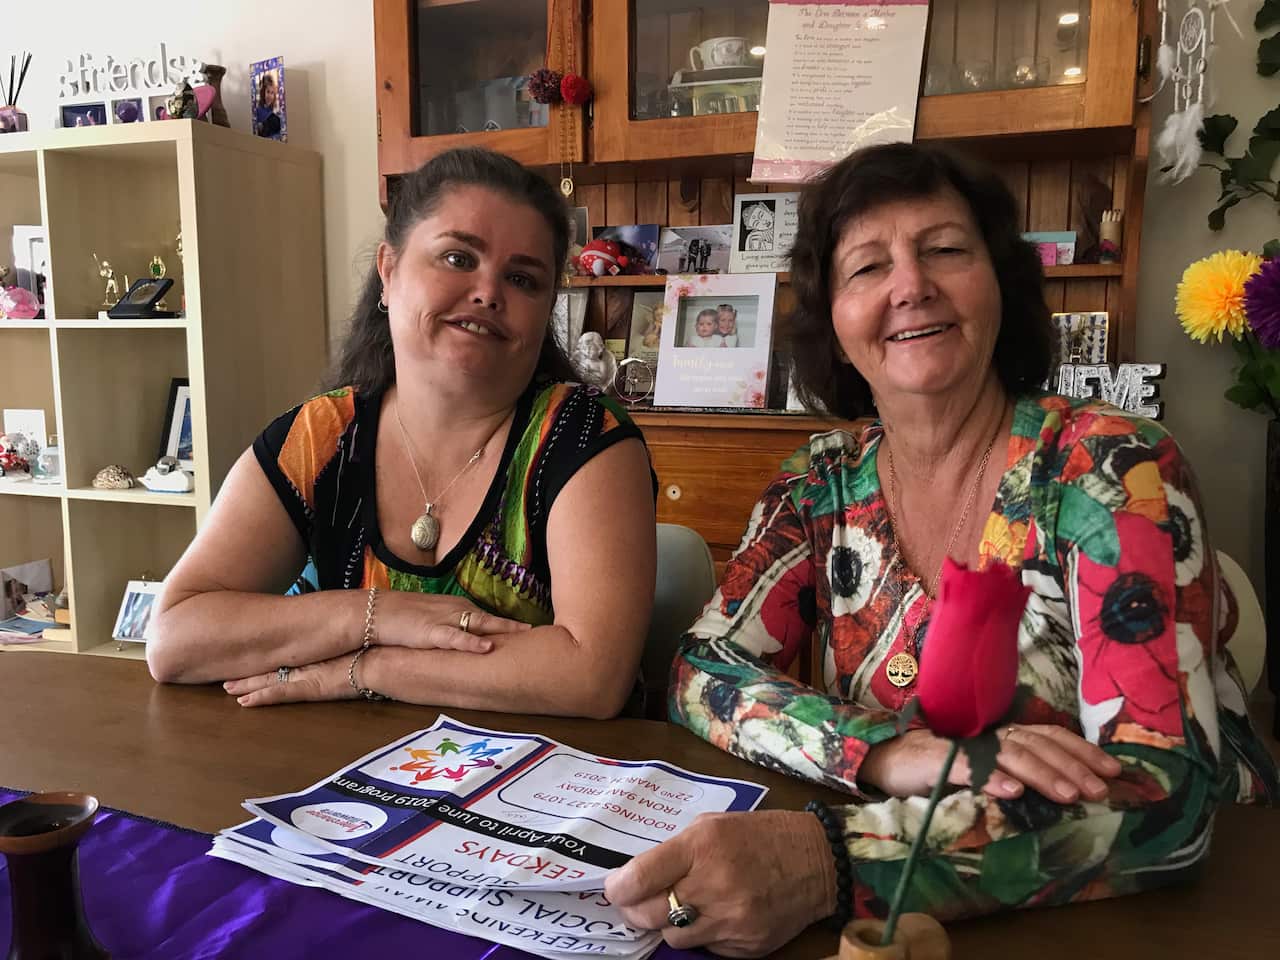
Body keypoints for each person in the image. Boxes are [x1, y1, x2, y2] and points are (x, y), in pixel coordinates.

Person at [604, 142, 1278, 955]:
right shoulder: (821, 482)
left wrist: (830, 862)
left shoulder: (1111, 472)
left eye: (945, 250)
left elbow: (1163, 799)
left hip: (1170, 913)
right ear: (833, 321)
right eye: (866, 267)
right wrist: (883, 750)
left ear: (1001, 283)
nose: (910, 286)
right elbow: (702, 671)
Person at [147, 147, 657, 720]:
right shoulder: (319, 437)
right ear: (388, 272)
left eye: (522, 278)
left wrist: (368, 667)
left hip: (544, 788)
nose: (489, 291)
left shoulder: (584, 437)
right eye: (459, 258)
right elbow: (174, 639)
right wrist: (383, 614)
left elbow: (591, 677)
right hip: (341, 775)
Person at [253, 72, 282, 138]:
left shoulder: (276, 111)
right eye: (268, 92)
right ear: (263, 92)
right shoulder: (257, 111)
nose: (270, 96)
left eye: (272, 93)